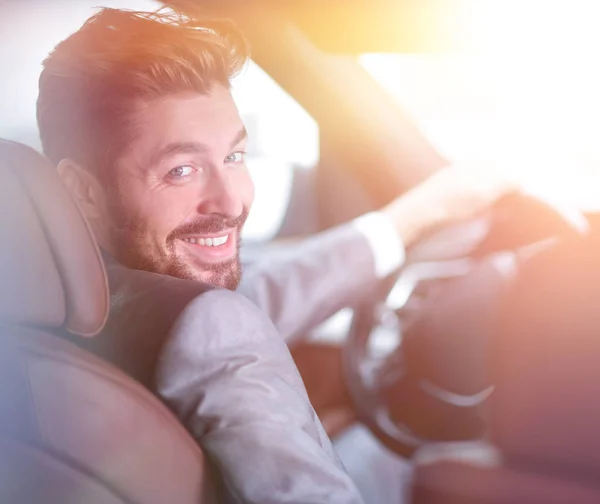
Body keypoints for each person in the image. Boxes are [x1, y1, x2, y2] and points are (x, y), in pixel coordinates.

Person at [36, 7, 515, 503]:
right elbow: (215, 328)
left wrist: (413, 217)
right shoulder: (208, 327)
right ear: (84, 192)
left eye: (233, 157)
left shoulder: (60, 300)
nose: (231, 201)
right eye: (181, 170)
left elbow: (234, 308)